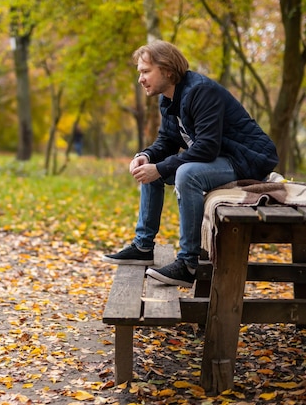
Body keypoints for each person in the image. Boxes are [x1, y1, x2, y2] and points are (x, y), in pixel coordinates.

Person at [103, 40, 279, 287]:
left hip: (248, 159)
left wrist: (161, 168)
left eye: (145, 71)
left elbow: (206, 147)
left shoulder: (200, 91)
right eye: (139, 73)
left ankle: (188, 263)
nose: (140, 79)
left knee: (186, 173)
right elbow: (167, 140)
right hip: (221, 158)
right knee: (151, 168)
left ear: (166, 69)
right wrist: (146, 156)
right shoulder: (168, 98)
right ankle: (143, 246)